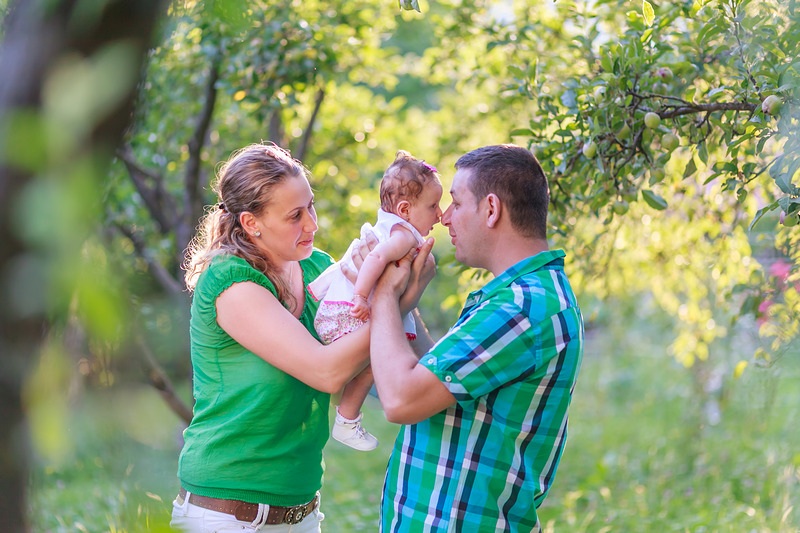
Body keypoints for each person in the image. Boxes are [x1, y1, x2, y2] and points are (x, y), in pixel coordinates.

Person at [170, 142, 432, 532]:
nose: (312, 224)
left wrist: (399, 286)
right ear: (250, 223)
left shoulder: (316, 268)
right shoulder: (230, 282)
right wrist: (390, 302)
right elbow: (326, 373)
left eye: (310, 206)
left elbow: (408, 359)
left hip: (303, 512)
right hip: (225, 515)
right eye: (295, 215)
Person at [367, 144, 585, 532]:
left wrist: (383, 293)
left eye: (455, 202)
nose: (444, 218)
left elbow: (401, 399)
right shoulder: (520, 297)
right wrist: (407, 302)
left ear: (490, 209)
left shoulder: (522, 307)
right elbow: (439, 385)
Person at [308, 150, 443, 452]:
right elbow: (376, 257)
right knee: (375, 362)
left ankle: (347, 419)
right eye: (434, 206)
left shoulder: (389, 226)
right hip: (350, 314)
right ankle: (347, 420)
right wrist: (361, 296)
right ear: (406, 209)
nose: (440, 215)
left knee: (375, 362)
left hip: (339, 312)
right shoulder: (404, 236)